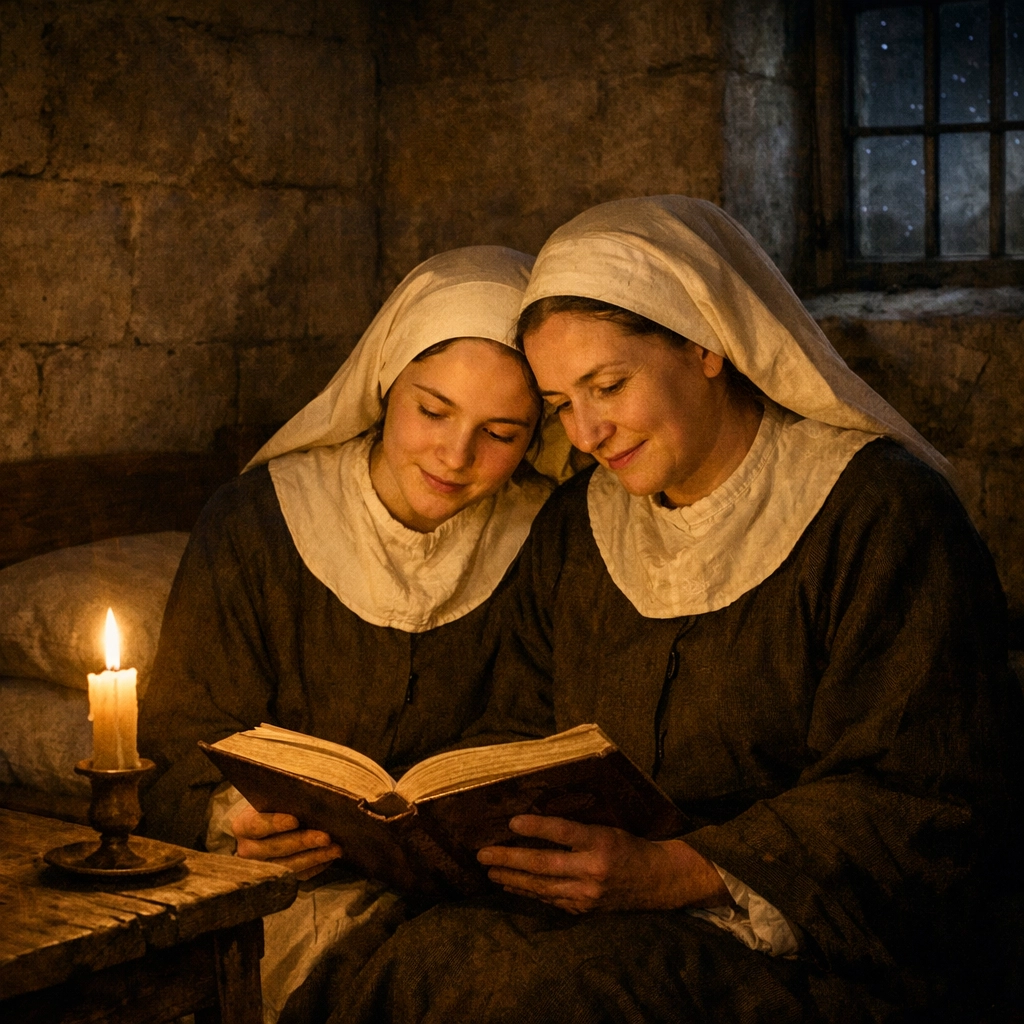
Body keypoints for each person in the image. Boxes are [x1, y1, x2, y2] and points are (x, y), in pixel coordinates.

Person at [315, 198, 1024, 1023]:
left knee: (550, 997)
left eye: (608, 385)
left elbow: (924, 800)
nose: (586, 433)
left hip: (814, 952)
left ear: (705, 345)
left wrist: (677, 869)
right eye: (561, 404)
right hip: (597, 918)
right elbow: (518, 722)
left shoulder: (879, 514)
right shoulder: (577, 526)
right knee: (397, 964)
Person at [138, 246, 564, 1022]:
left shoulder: (549, 533)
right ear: (383, 383)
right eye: (432, 411)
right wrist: (232, 820)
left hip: (482, 900)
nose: (455, 455)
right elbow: (173, 747)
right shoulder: (256, 521)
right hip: (296, 895)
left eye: (501, 433)